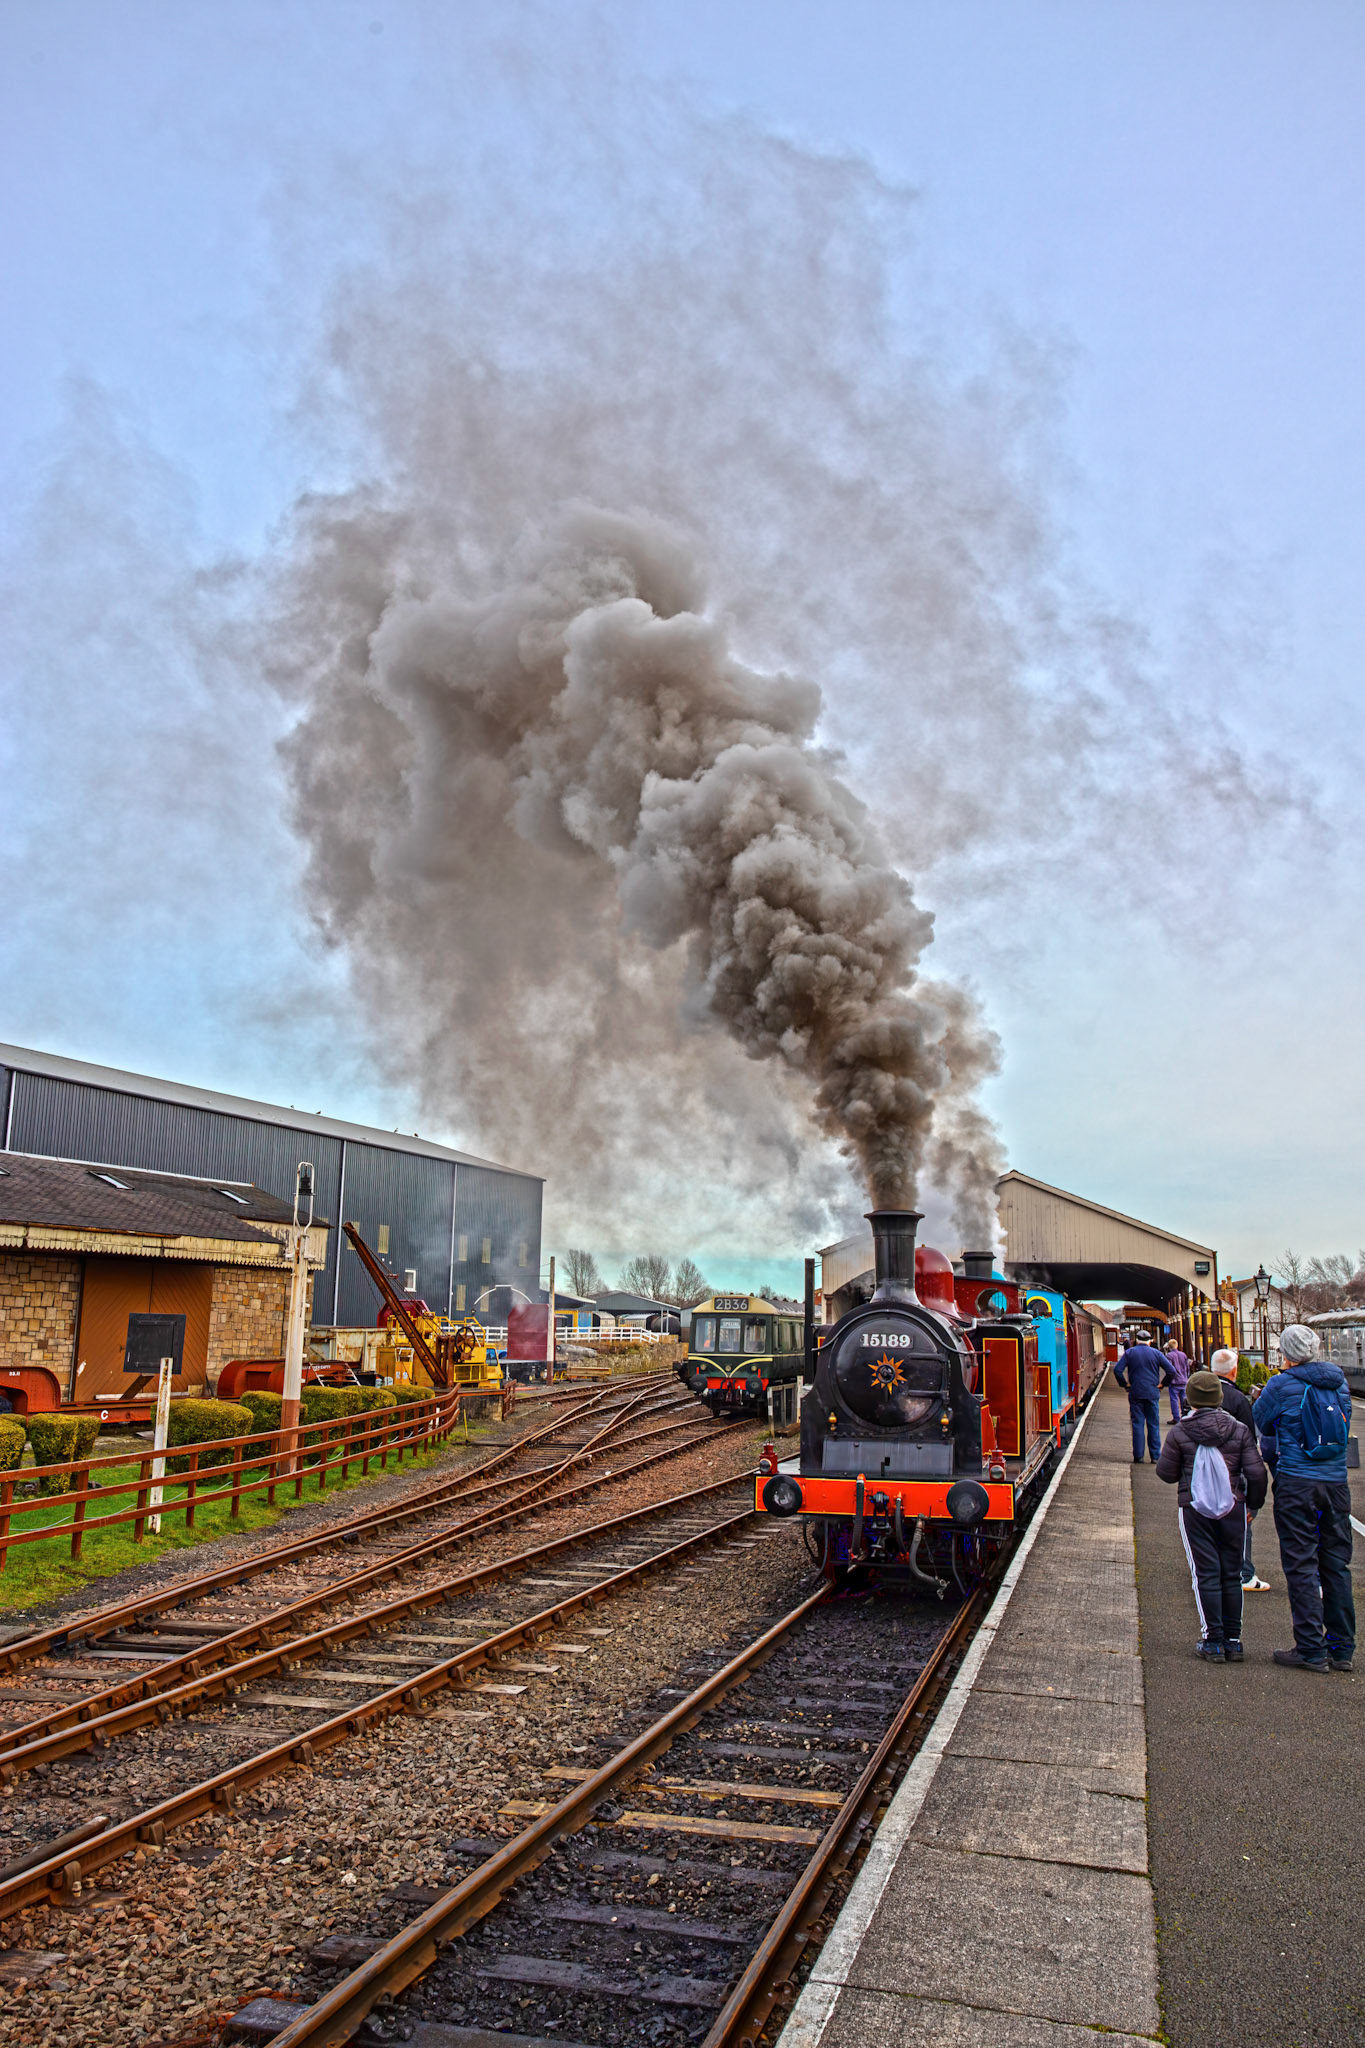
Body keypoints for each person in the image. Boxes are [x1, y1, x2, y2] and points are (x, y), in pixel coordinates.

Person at [1252, 1325, 1355, 1673]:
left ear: (1287, 1353)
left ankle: (1310, 1649)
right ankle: (1341, 1649)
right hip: (1336, 1485)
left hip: (1297, 1484)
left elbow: (1262, 1423)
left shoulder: (1281, 1384)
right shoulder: (1339, 1383)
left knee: (1301, 1564)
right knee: (1336, 1565)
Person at [1156, 1369, 1267, 1661]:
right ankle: (1233, 1640)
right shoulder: (1239, 1430)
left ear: (1191, 1400)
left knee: (1204, 1573)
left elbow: (1166, 1474)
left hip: (1195, 1509)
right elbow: (1257, 1473)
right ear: (1219, 1398)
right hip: (1234, 1508)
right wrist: (1252, 1506)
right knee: (1231, 1574)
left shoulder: (1180, 1431)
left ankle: (1213, 1641)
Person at [1210, 1347, 1270, 1591]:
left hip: (1203, 1473)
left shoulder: (1199, 1395)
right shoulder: (1237, 1400)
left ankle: (1214, 1570)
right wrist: (1255, 1500)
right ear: (1234, 1371)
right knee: (1242, 1525)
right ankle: (1245, 1574)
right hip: (1233, 1475)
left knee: (1209, 1523)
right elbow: (1249, 1443)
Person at [1114, 1333, 1173, 1463]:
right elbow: (1171, 1371)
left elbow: (1117, 1370)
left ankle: (1138, 1456)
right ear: (1150, 1341)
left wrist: (1125, 1384)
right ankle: (1155, 1456)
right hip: (1152, 1393)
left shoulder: (1130, 1353)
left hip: (1135, 1392)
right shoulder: (1157, 1353)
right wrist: (1163, 1384)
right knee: (1153, 1424)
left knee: (1137, 1424)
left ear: (1136, 1341)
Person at [1163, 1339, 1192, 1422]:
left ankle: (1176, 1417)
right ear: (1177, 1345)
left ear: (1169, 1347)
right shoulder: (1183, 1355)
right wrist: (1186, 1376)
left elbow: (1169, 1369)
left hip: (1174, 1381)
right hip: (1183, 1380)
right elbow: (1187, 1368)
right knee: (1184, 1399)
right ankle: (1184, 1415)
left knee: (1174, 1400)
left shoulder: (1169, 1356)